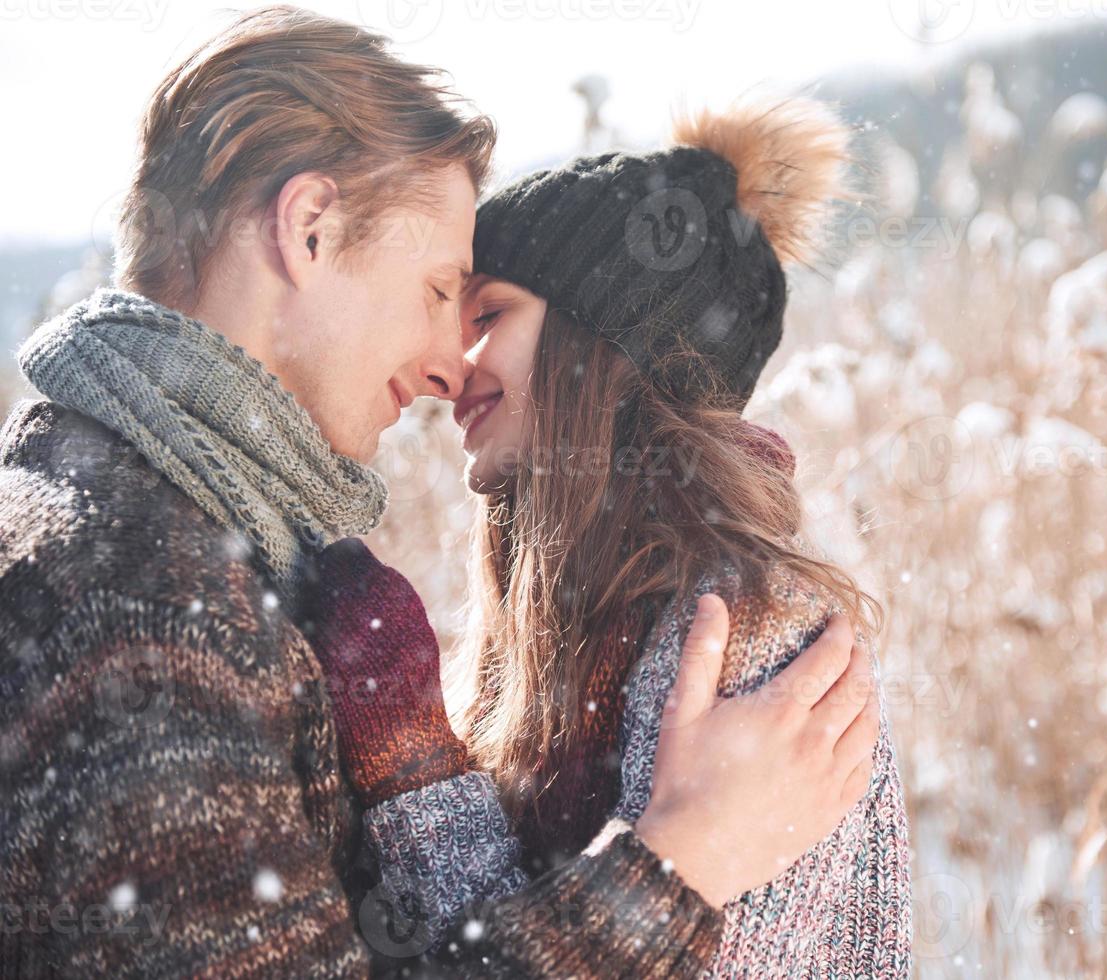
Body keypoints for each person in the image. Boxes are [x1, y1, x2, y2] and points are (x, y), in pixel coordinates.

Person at [0, 9, 875, 977]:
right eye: (436, 291)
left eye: (476, 307)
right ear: (309, 230)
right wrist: (674, 866)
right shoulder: (153, 602)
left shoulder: (159, 537)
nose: (440, 367)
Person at [308, 97, 913, 977]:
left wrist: (417, 771)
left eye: (489, 318)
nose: (450, 369)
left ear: (606, 343)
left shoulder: (745, 634)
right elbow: (527, 939)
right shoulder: (581, 616)